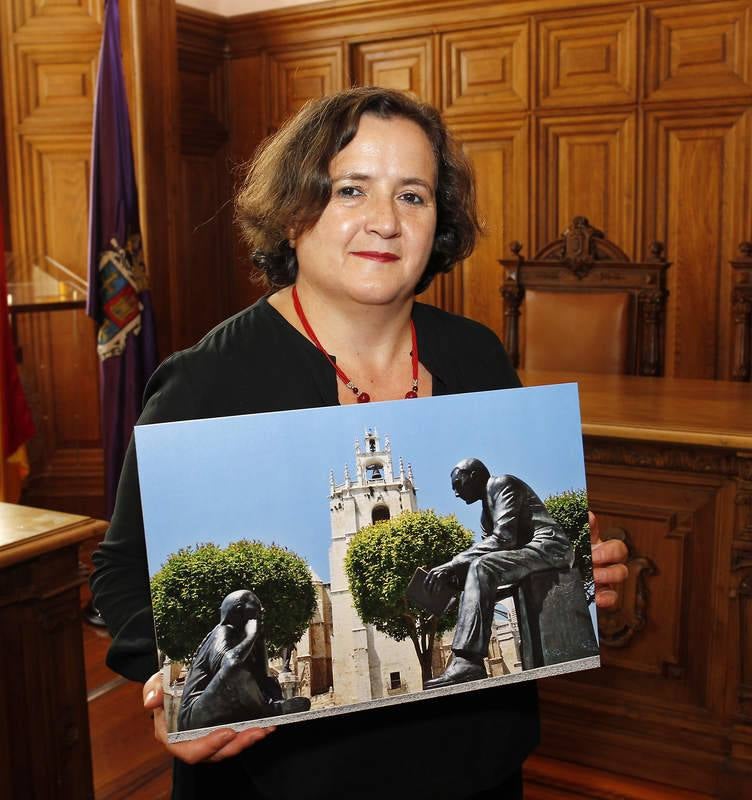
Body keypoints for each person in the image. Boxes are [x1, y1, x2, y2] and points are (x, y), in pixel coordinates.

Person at [90, 86, 628, 799]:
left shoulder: (477, 356)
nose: (383, 221)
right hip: (278, 780)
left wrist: (578, 567)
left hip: (475, 766)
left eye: (413, 196)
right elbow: (122, 579)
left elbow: (522, 528)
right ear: (292, 213)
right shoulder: (203, 382)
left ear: (439, 223)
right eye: (350, 189)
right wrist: (170, 682)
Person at [424, 460, 599, 689]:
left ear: (475, 475)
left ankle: (468, 662)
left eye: (458, 483)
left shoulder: (501, 484)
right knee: (478, 571)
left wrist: (453, 564)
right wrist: (463, 584)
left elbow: (504, 540)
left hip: (550, 548)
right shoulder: (485, 515)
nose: (456, 492)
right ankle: (467, 662)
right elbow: (494, 555)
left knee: (480, 567)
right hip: (529, 555)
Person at [178, 590, 310, 732]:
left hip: (220, 708)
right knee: (236, 668)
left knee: (270, 681)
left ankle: (273, 707)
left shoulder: (241, 637)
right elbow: (230, 665)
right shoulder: (223, 631)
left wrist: (259, 640)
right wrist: (251, 636)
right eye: (256, 608)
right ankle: (269, 709)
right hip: (193, 716)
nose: (262, 611)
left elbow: (263, 677)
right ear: (240, 610)